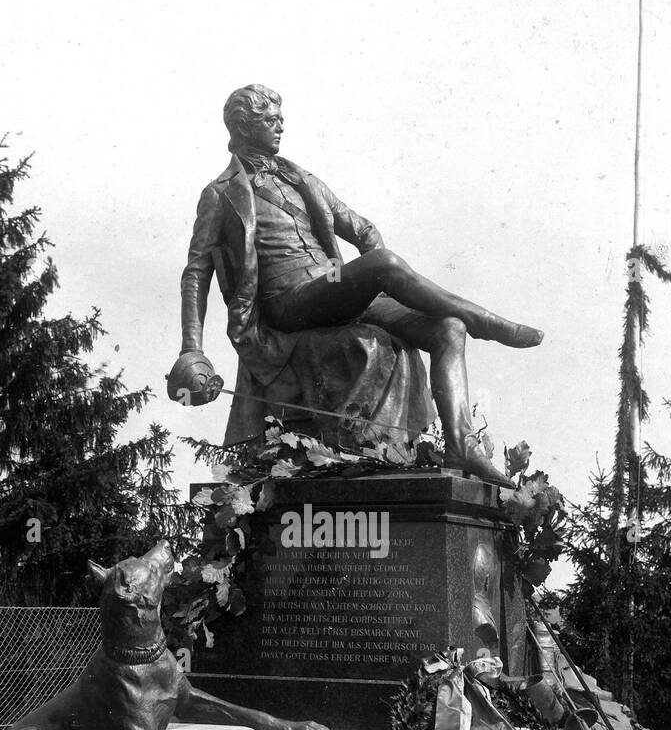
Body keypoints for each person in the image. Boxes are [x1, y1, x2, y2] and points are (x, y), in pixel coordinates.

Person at [168, 84, 544, 487]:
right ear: (243, 126)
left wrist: (372, 285)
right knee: (383, 265)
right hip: (287, 303)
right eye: (269, 120)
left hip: (332, 288)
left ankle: (462, 445)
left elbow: (362, 228)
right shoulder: (221, 194)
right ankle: (484, 320)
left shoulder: (300, 178)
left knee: (447, 329)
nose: (281, 126)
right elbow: (197, 271)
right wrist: (192, 347)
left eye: (281, 118)